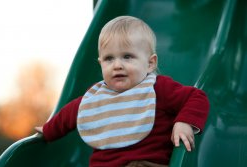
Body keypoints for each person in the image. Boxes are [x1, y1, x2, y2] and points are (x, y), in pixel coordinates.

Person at [35, 16, 209, 167]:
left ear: (150, 63)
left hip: (145, 164)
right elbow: (69, 114)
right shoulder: (96, 97)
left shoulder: (157, 88)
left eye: (127, 56)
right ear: (100, 63)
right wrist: (49, 130)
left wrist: (184, 122)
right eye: (109, 59)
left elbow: (196, 97)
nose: (117, 65)